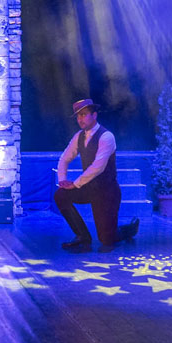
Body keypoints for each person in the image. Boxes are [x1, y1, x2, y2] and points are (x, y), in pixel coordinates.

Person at [54, 99, 140, 252]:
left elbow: (97, 167)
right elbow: (64, 159)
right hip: (89, 188)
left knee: (107, 239)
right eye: (78, 116)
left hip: (107, 192)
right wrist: (62, 180)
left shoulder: (106, 137)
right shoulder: (79, 136)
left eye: (83, 115)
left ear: (94, 115)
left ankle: (129, 230)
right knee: (61, 195)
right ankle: (82, 236)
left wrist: (75, 184)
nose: (80, 119)